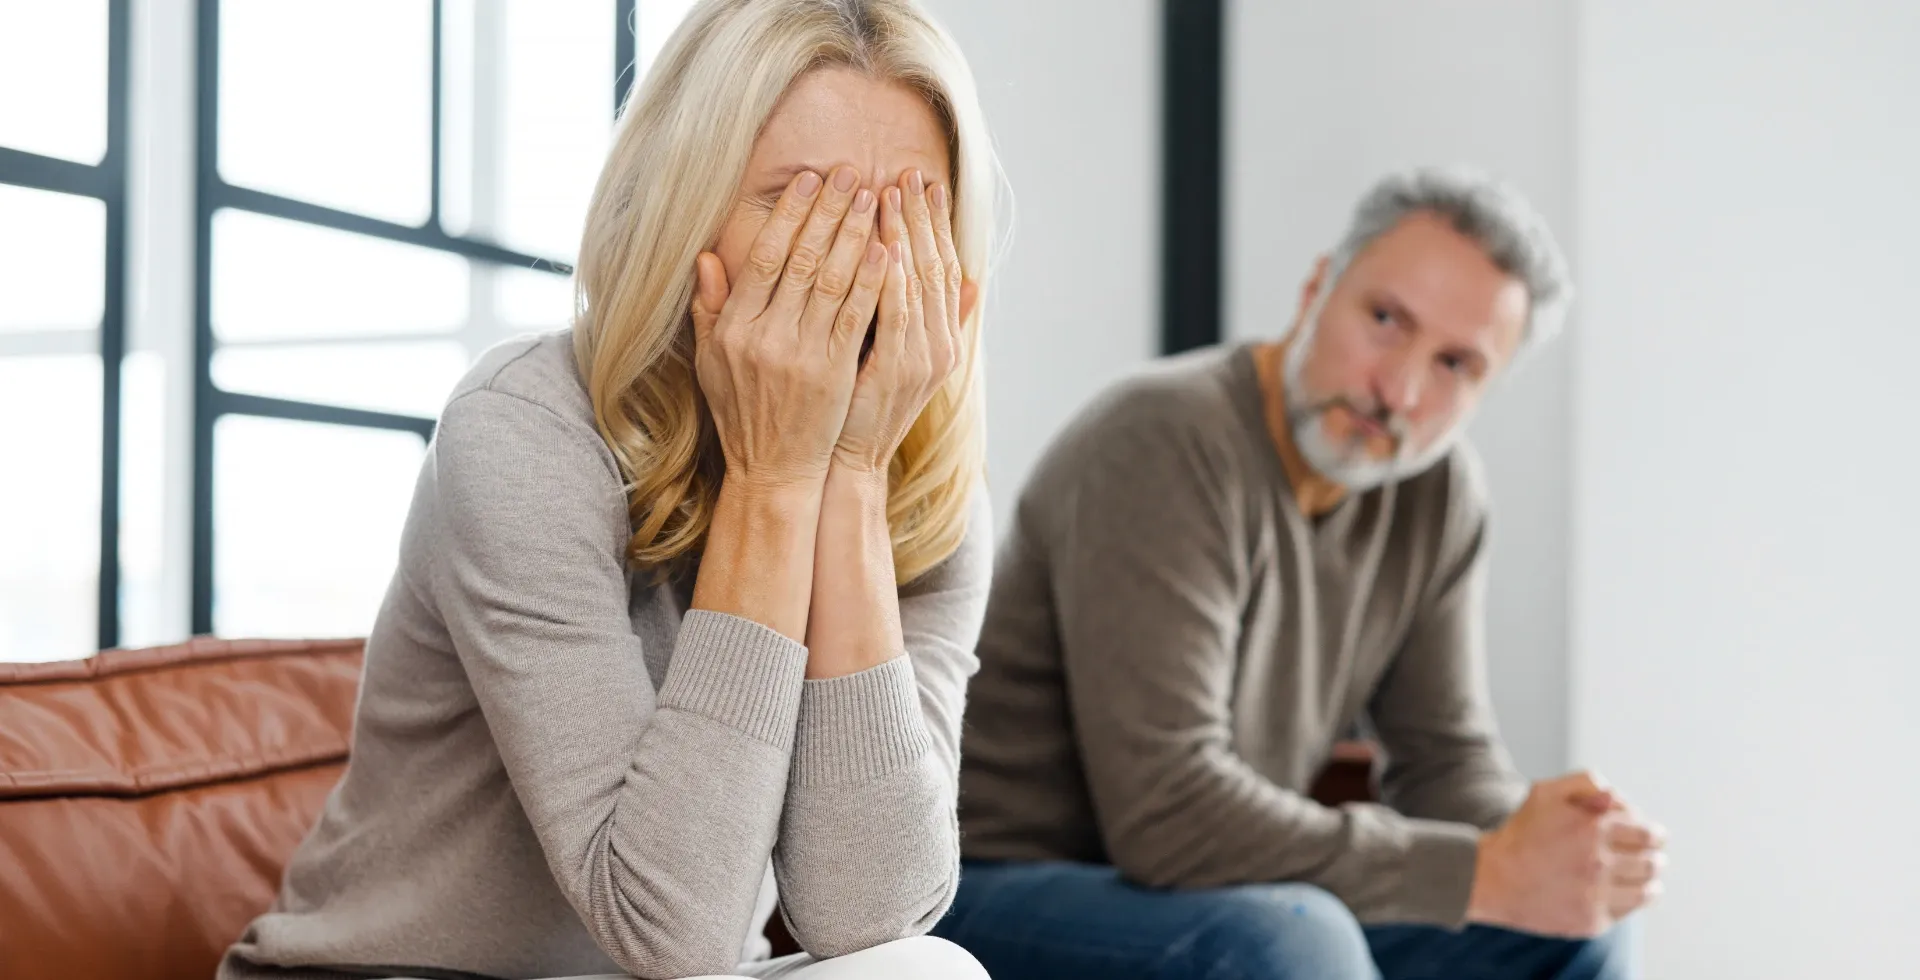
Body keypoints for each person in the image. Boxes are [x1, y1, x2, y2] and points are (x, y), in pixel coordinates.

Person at [218, 1, 1001, 978]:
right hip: (391, 974)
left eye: (906, 213)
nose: (851, 265)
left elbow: (874, 916)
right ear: (683, 209)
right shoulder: (522, 426)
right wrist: (772, 479)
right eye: (801, 202)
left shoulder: (928, 491)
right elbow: (669, 929)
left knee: (926, 969)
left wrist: (848, 476)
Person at [933, 168, 1666, 980]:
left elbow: (1444, 761)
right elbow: (1169, 816)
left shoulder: (1437, 491)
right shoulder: (1163, 439)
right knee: (1297, 940)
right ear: (1318, 288)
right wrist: (1486, 873)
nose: (1399, 390)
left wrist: (1556, 848)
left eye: (1456, 364)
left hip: (1210, 891)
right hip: (1000, 884)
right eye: (1385, 320)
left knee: (1576, 929)